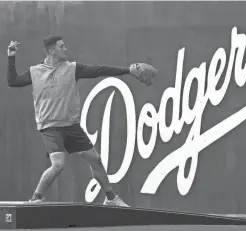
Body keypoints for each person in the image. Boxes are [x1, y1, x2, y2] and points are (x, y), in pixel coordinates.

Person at [6, 35, 146, 207]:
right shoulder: (35, 72)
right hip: (50, 127)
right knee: (58, 165)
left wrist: (128, 70)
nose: (65, 49)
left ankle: (110, 198)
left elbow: (99, 70)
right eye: (61, 46)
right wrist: (11, 56)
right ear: (51, 50)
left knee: (95, 159)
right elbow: (13, 82)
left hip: (71, 126)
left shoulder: (72, 68)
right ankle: (36, 199)